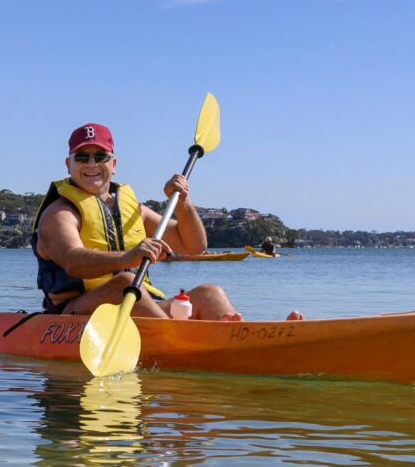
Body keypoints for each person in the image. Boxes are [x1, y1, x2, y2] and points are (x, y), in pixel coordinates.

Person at [33, 122, 302, 321]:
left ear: (113, 163)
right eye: (82, 157)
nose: (91, 163)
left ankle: (246, 339)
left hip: (136, 303)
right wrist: (127, 257)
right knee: (124, 281)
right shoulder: (60, 213)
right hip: (75, 311)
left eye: (100, 156)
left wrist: (183, 205)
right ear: (69, 164)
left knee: (210, 292)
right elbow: (72, 259)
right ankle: (183, 340)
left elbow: (193, 246)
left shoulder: (132, 209)